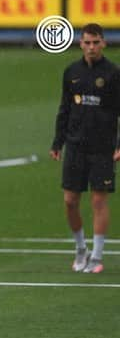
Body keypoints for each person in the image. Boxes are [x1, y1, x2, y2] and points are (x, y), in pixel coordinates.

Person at [49, 23, 120, 274]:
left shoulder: (113, 74)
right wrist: (58, 142)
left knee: (99, 201)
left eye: (96, 42)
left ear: (104, 43)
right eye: (87, 42)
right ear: (80, 44)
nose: (91, 47)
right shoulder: (71, 72)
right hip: (75, 145)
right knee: (70, 201)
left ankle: (97, 256)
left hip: (102, 147)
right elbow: (64, 109)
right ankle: (81, 248)